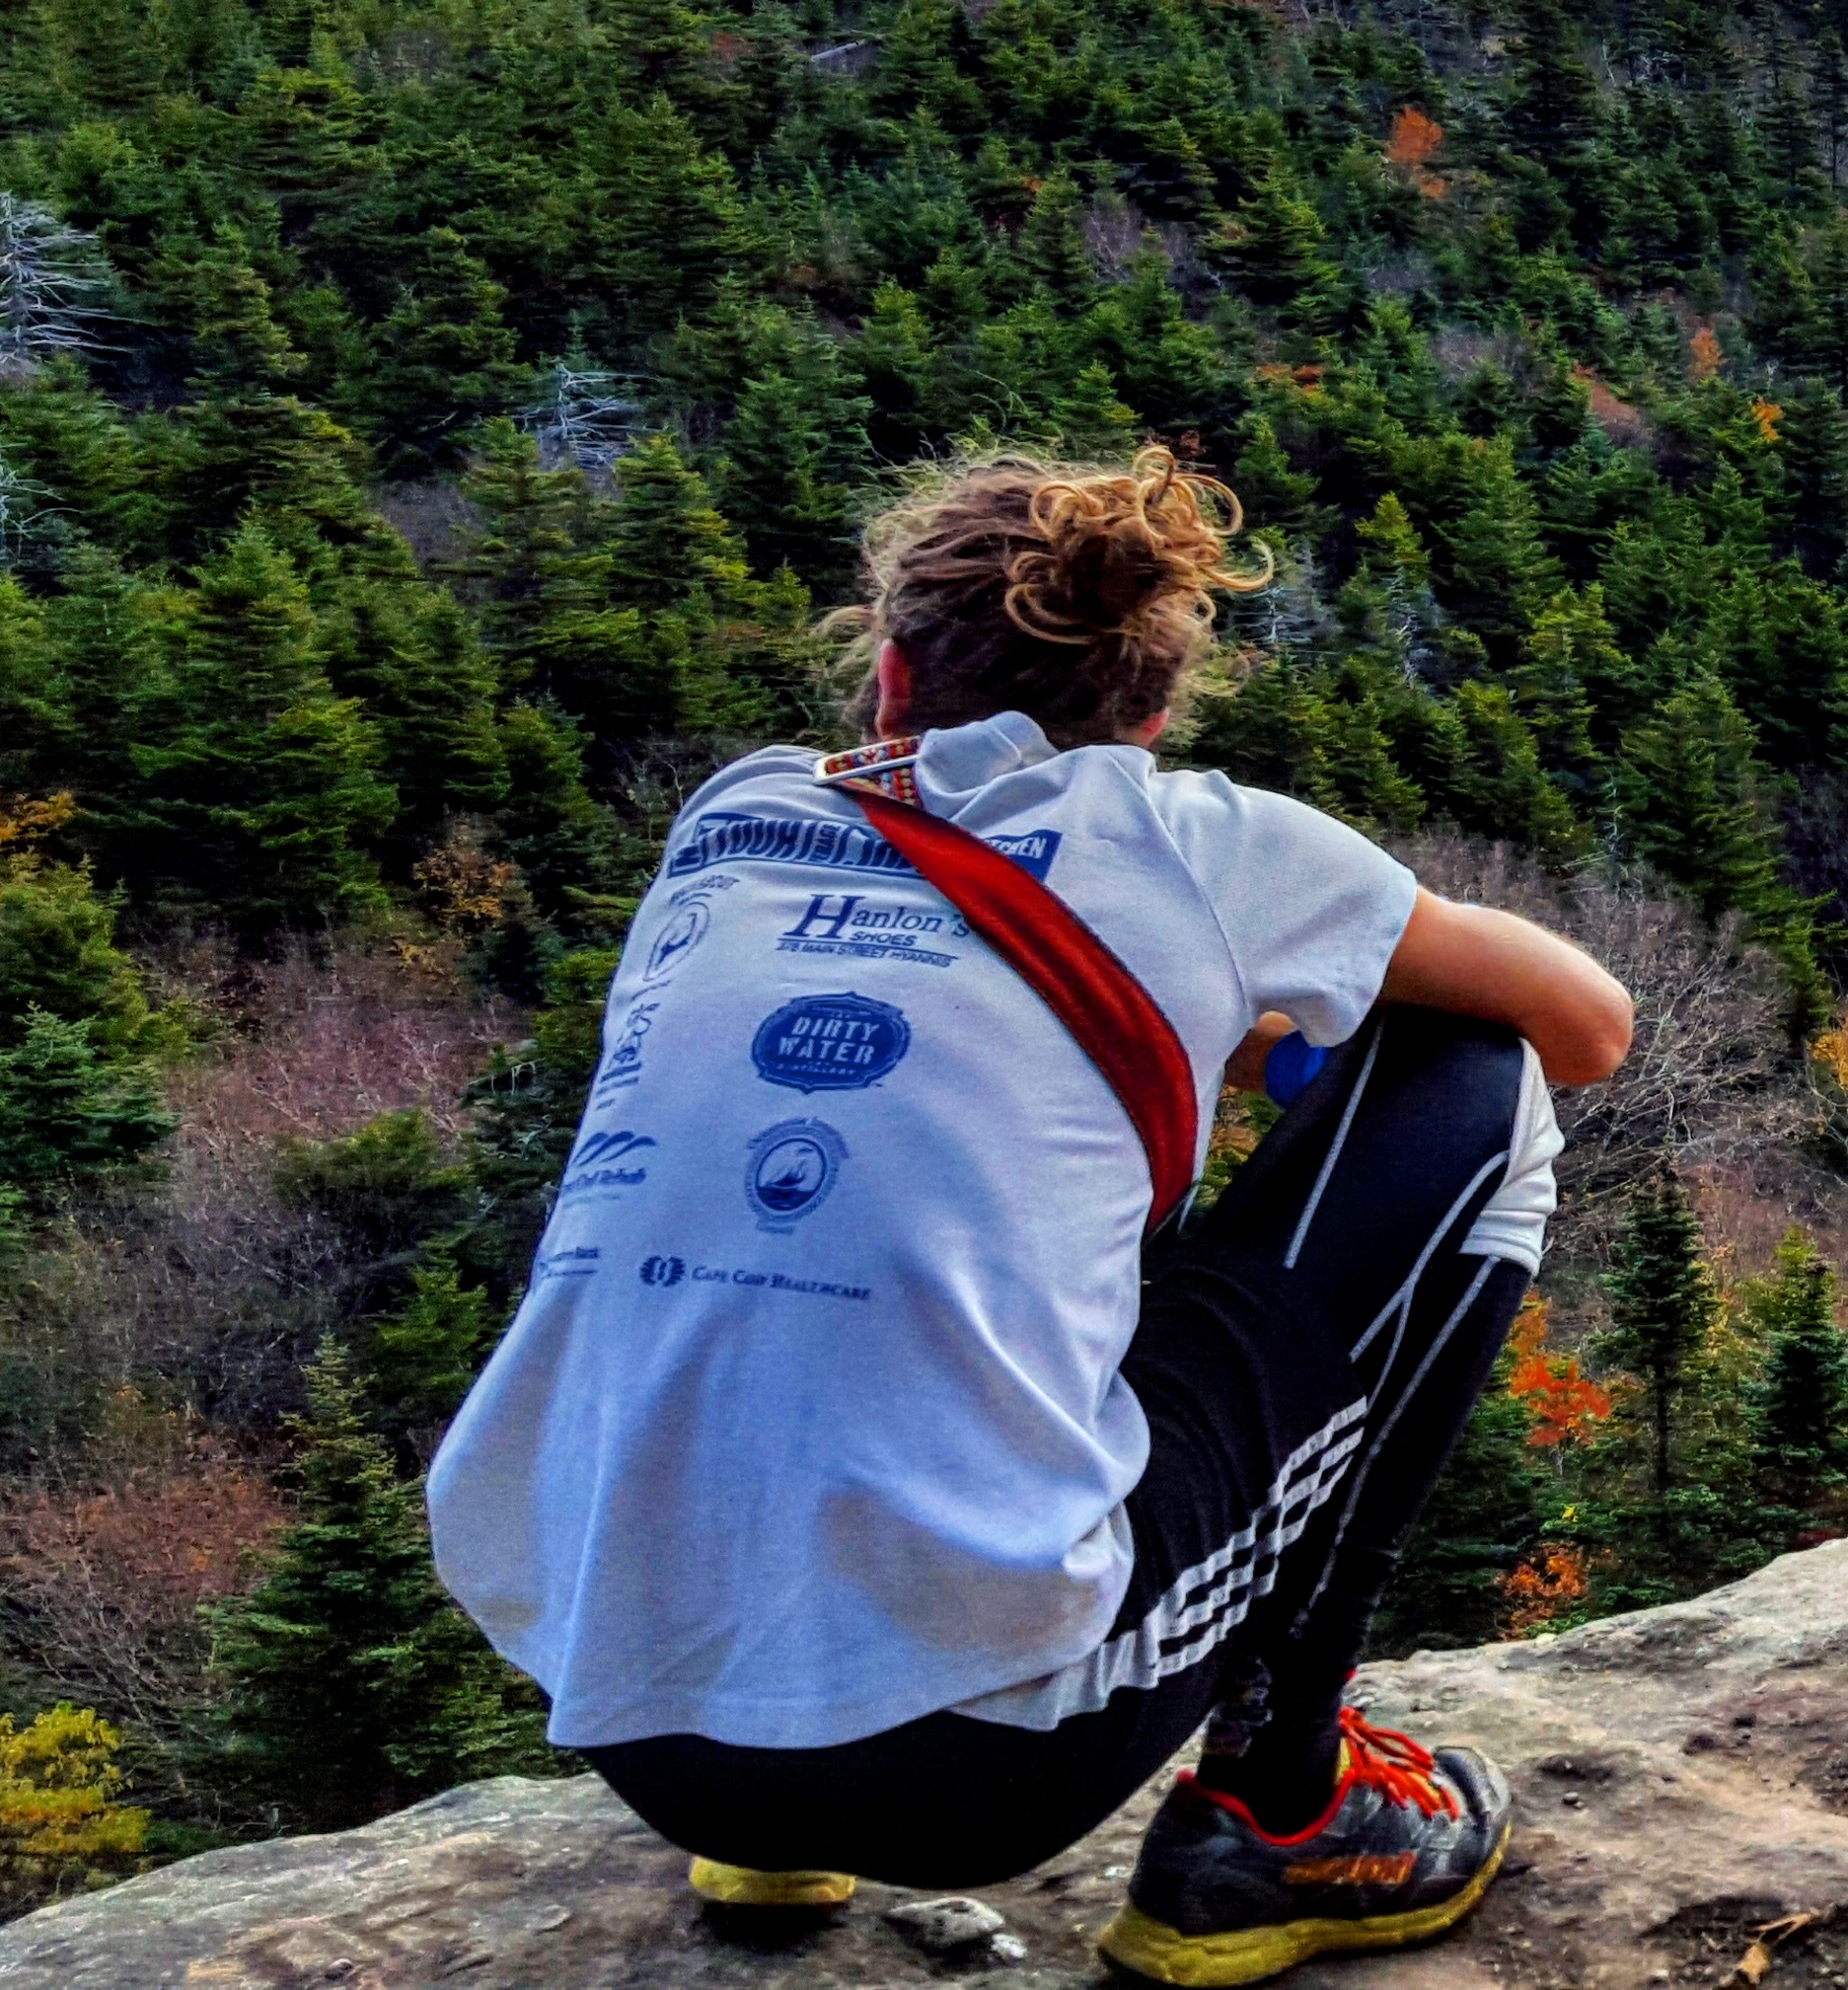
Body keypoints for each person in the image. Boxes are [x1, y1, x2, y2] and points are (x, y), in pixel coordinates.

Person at [428, 449, 1631, 1985]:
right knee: (1479, 1076)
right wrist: (1286, 1034)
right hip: (976, 1770)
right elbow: (1585, 1025)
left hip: (631, 1709)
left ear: (884, 680)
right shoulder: (1205, 845)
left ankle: (774, 1823)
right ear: (1149, 717)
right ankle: (1283, 1804)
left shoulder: (731, 821)